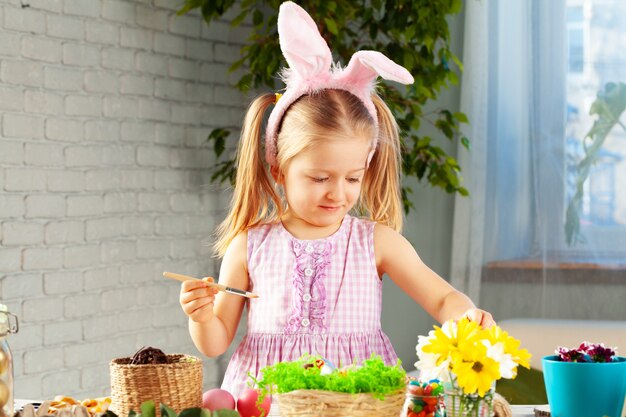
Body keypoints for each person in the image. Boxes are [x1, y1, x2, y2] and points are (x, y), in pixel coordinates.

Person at [179, 1, 494, 399]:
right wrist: (201, 315)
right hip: (268, 402)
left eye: (352, 178)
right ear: (278, 169)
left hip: (356, 402)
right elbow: (215, 342)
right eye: (319, 177)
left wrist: (467, 316)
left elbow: (443, 297)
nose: (338, 192)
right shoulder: (249, 245)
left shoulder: (376, 242)